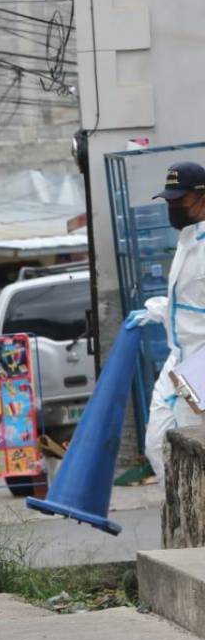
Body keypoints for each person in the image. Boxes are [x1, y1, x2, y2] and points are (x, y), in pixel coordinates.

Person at [125, 161, 205, 483]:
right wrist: (156, 310)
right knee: (157, 444)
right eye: (169, 200)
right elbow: (187, 305)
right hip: (179, 360)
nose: (172, 207)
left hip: (201, 363)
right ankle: (188, 526)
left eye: (179, 199)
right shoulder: (188, 241)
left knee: (193, 453)